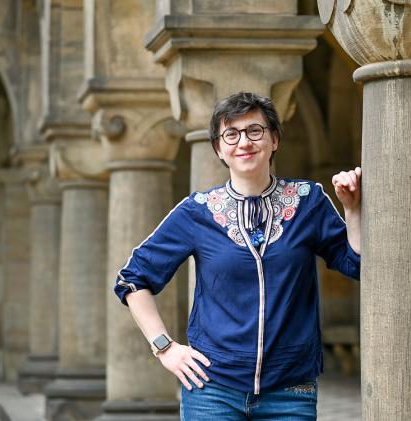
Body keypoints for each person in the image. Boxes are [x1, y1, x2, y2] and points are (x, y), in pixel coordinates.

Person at [114, 92, 362, 420]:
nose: (243, 141)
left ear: (274, 139)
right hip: (211, 389)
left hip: (290, 389)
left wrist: (353, 210)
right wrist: (165, 348)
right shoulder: (196, 212)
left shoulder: (308, 202)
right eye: (231, 134)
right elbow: (132, 280)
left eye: (255, 131)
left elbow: (355, 263)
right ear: (219, 148)